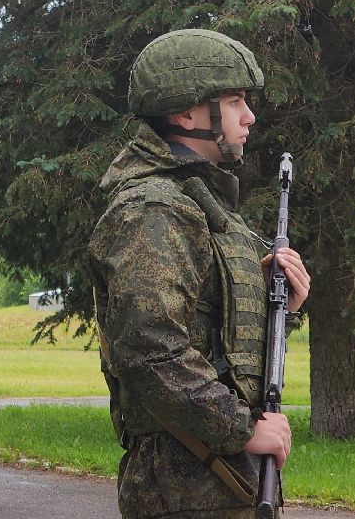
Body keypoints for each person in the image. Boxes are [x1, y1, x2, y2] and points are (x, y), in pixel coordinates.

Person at [87, 28, 311, 519]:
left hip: (218, 482)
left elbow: (220, 345)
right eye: (234, 102)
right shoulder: (153, 209)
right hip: (182, 488)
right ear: (187, 113)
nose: (249, 117)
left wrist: (280, 308)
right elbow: (151, 350)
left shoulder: (199, 205)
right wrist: (244, 429)